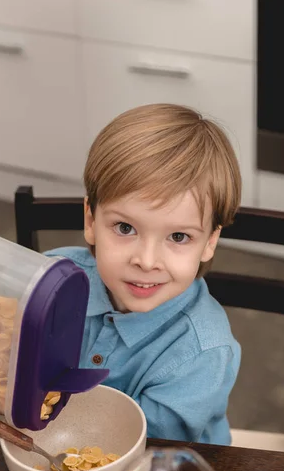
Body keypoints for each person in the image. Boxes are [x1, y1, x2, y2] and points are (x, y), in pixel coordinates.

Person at [45, 103, 241, 445]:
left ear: (210, 241)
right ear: (91, 221)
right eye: (125, 227)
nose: (147, 261)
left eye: (178, 237)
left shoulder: (203, 352)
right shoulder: (49, 281)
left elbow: (149, 452)